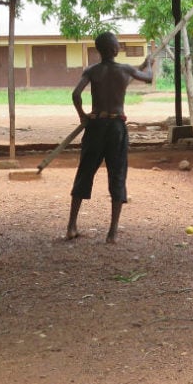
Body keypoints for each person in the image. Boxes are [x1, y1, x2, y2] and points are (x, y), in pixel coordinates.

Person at [66, 31, 153, 243]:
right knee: (117, 174)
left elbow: (76, 94)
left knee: (85, 173)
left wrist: (83, 117)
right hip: (116, 127)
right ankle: (112, 233)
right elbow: (148, 78)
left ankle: (71, 226)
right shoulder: (125, 70)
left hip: (95, 126)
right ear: (115, 50)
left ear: (98, 50)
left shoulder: (92, 71)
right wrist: (149, 64)